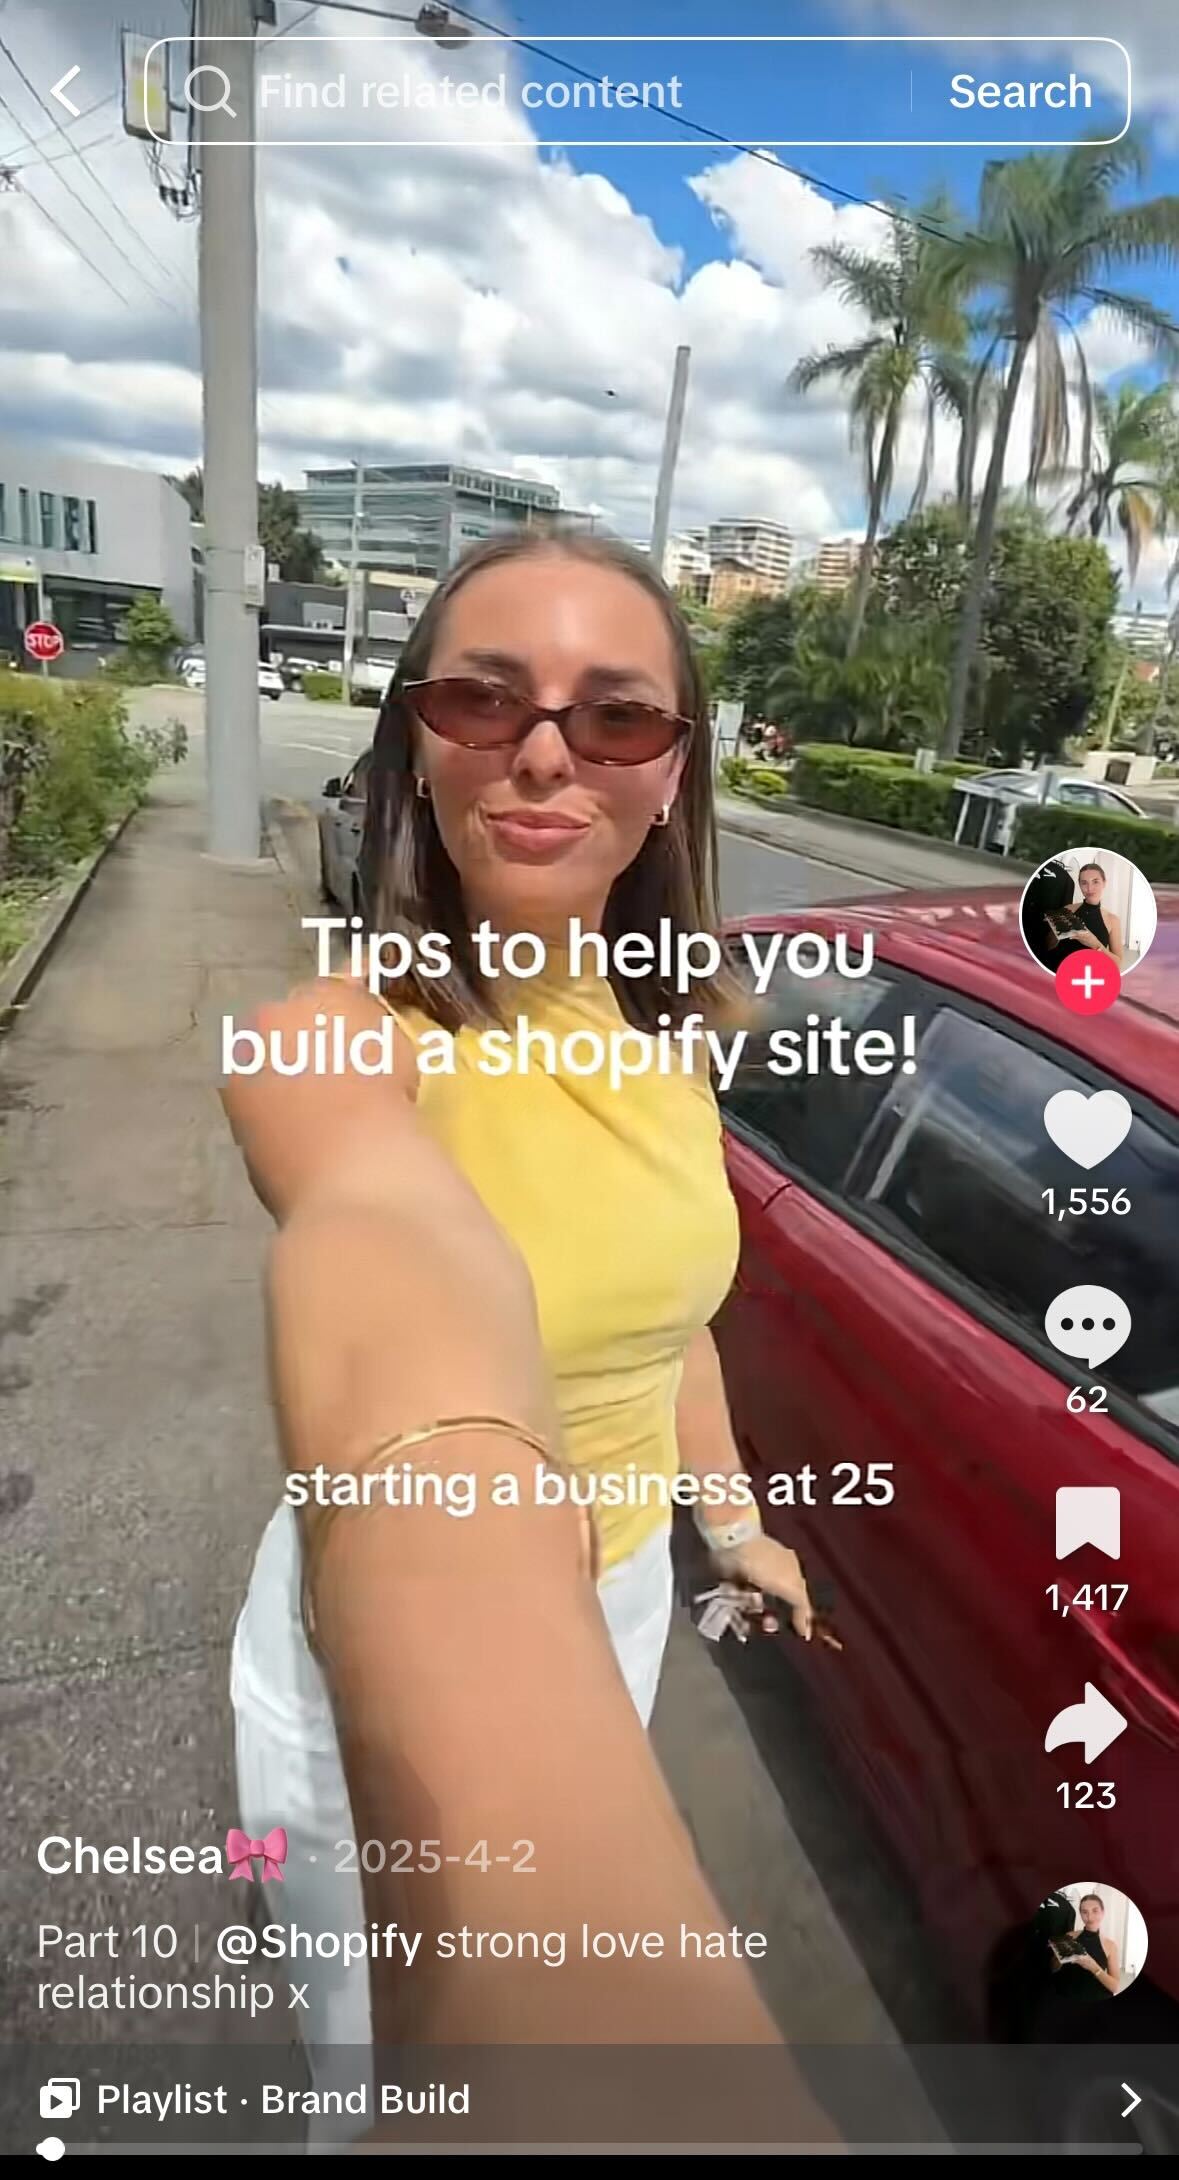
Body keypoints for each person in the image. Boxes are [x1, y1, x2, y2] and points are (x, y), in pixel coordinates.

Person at [223, 533, 819, 2069]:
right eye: (486, 700)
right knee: (395, 2080)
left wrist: (734, 1525)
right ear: (416, 748)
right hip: (397, 1646)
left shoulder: (669, 1031)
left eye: (616, 716)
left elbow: (671, 1321)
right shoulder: (342, 1037)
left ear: (673, 775)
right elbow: (376, 1263)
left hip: (624, 1599)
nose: (547, 754)